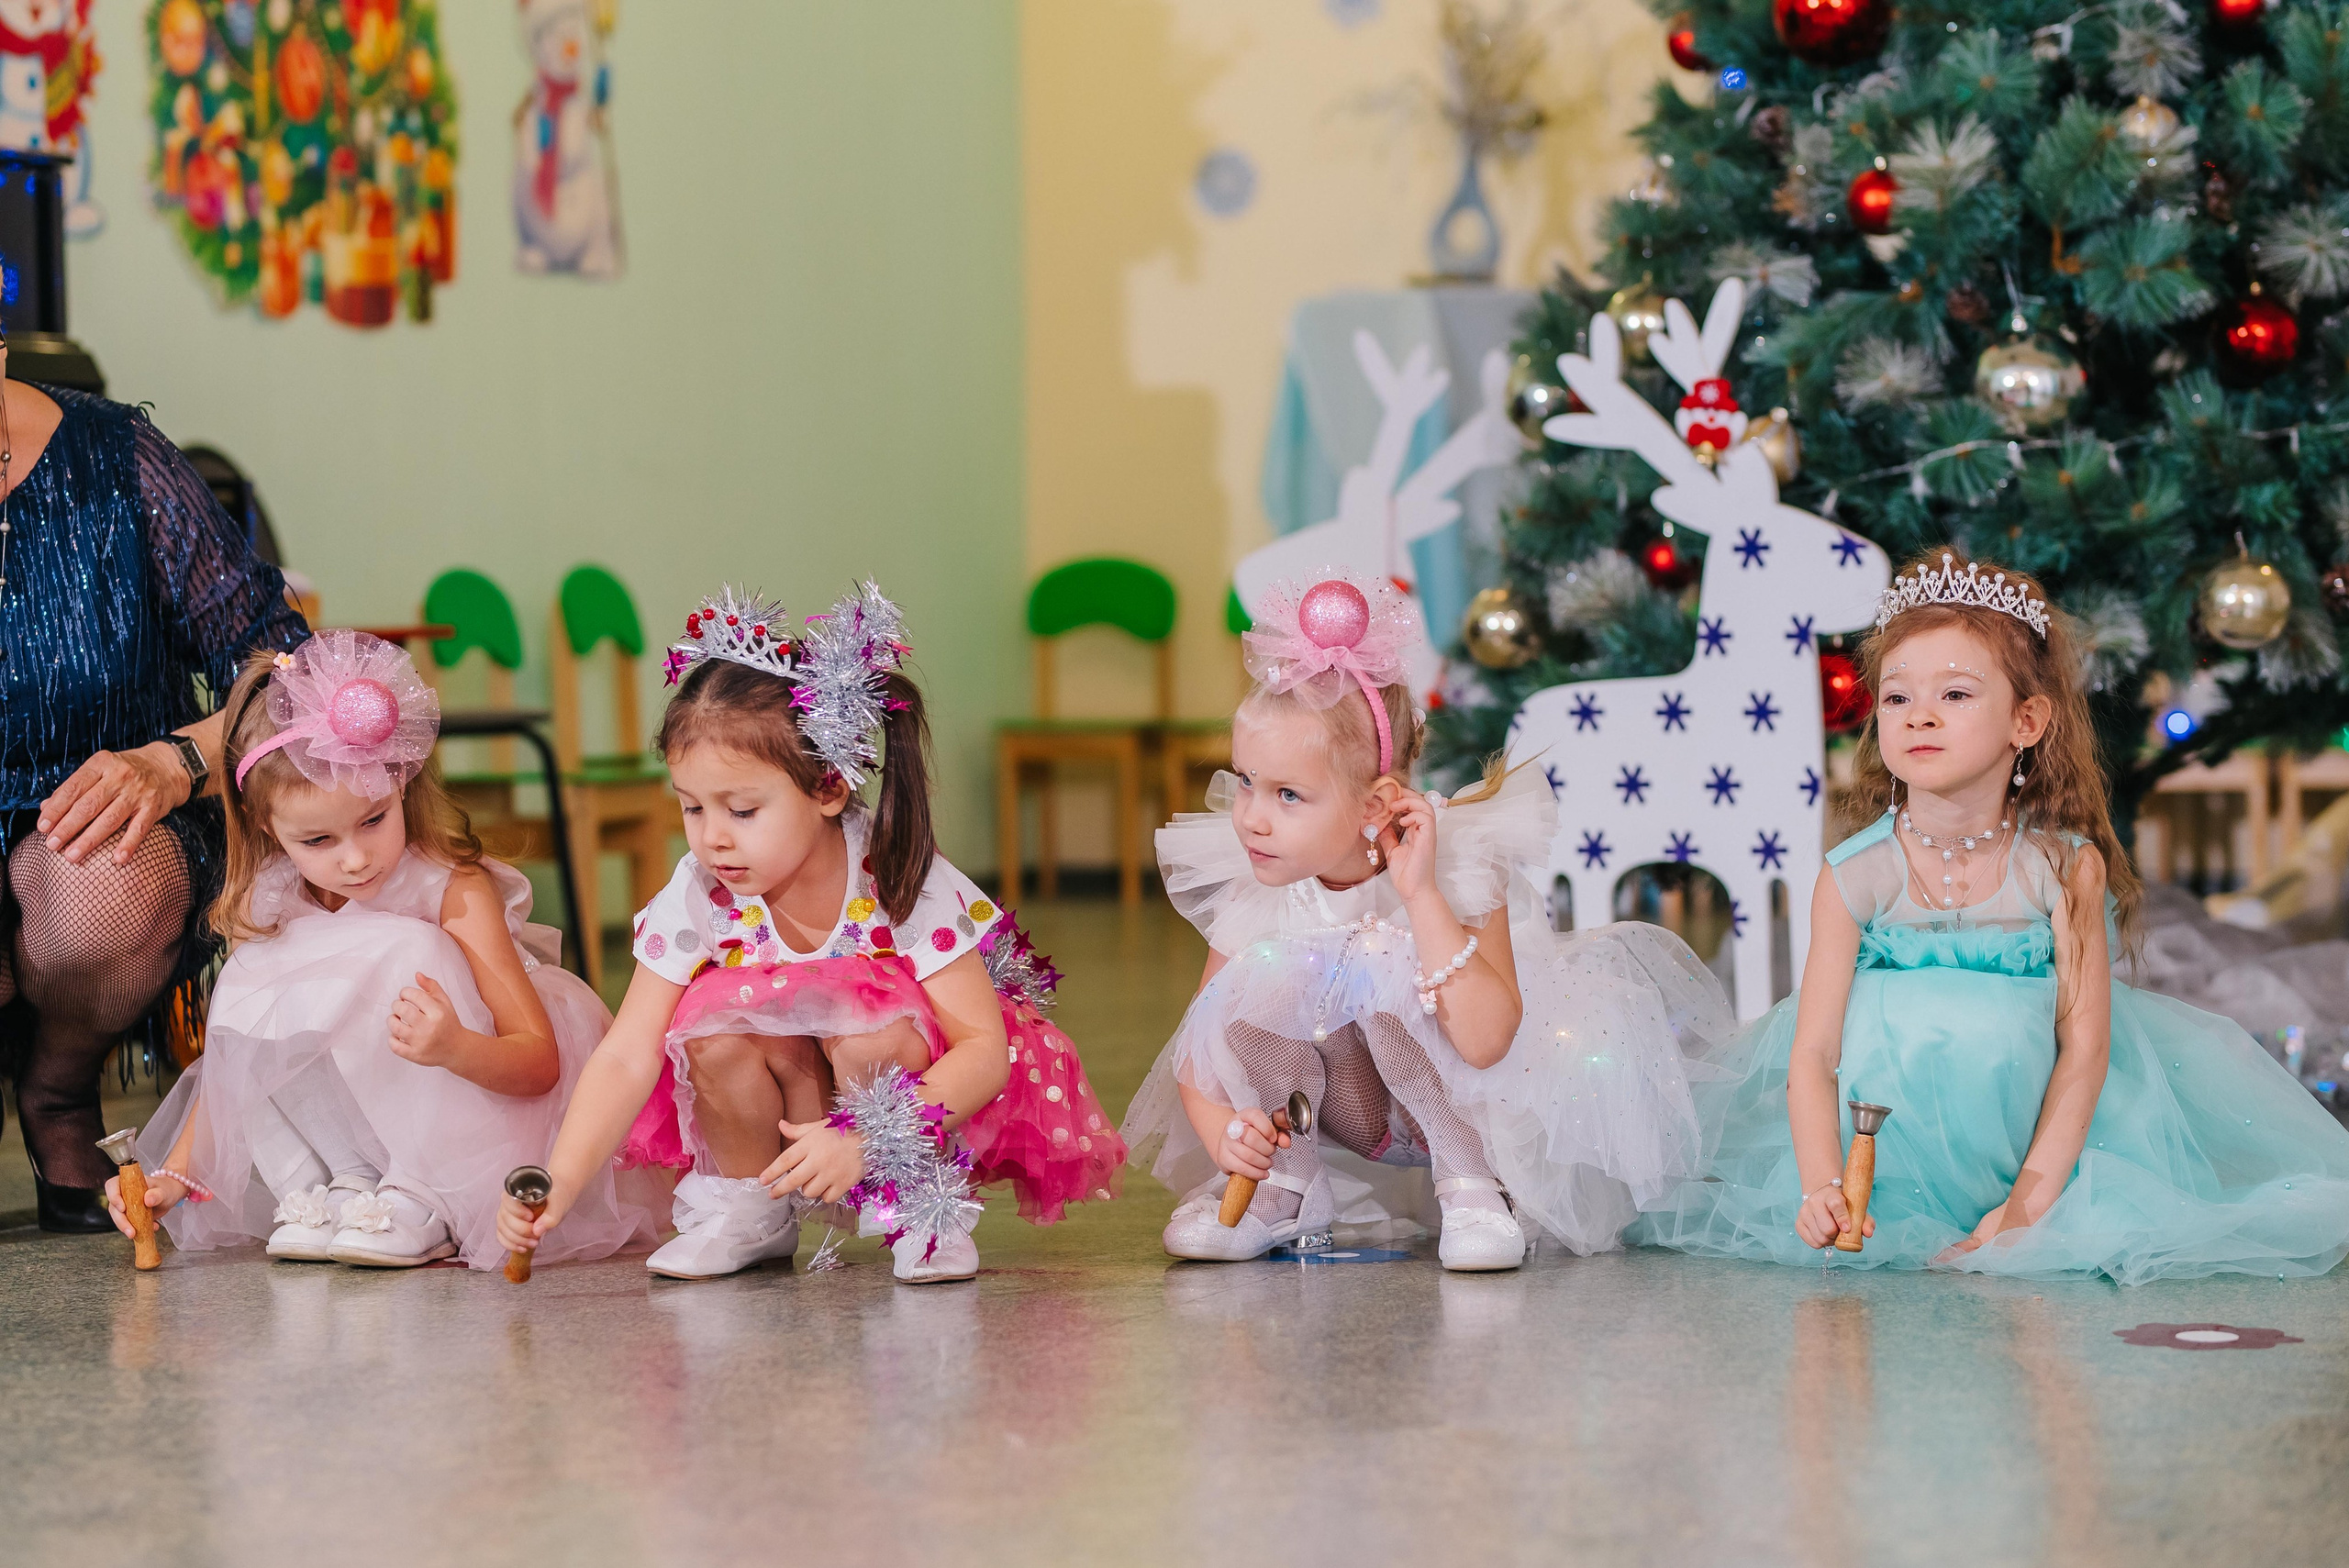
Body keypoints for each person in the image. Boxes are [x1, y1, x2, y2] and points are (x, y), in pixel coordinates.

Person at [1632, 553, 2349, 1283]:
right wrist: (1823, 1184)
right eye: (1897, 697)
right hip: (1884, 1175)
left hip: (2039, 1166)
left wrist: (2028, 1209)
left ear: (2026, 719)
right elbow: (1812, 1054)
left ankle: (2007, 1204)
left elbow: (2085, 1049)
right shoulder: (1856, 872)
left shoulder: (2065, 869)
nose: (1921, 714)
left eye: (1955, 692)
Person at [497, 584, 1121, 1284]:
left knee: (873, 1030)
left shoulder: (896, 873)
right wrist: (559, 1180)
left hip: (899, 1105)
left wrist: (866, 1135)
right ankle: (752, 1206)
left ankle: (915, 1204)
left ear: (827, 788)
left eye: (742, 809)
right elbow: (625, 1054)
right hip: (797, 1094)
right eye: (692, 807)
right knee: (712, 1030)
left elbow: (983, 1050)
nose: (713, 838)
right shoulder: (700, 889)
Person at [1120, 575, 1734, 1270]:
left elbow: (1487, 1040)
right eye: (1247, 781)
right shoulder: (1262, 882)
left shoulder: (1461, 864)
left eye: (1288, 794)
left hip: (1464, 1109)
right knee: (1253, 991)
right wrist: (1228, 1131)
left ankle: (1473, 1186)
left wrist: (1419, 898)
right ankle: (1285, 1190)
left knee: (1380, 962)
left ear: (1376, 803)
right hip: (1352, 1112)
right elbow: (1204, 1050)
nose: (1252, 815)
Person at [107, 632, 649, 1268]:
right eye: (318, 839)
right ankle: (338, 1184)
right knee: (253, 972)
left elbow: (538, 1063)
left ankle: (426, 1197)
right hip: (369, 1142)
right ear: (265, 826)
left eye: (373, 819)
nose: (356, 857)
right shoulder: (275, 896)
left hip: (482, 1117)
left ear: (400, 784)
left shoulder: (451, 888)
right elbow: (240, 1059)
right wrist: (174, 1171)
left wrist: (456, 1046)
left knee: (402, 946)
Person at [0, 363, 306, 1230]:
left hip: (105, 824)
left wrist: (178, 759)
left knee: (102, 882)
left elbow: (285, 666)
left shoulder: (119, 459)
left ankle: (59, 1090)